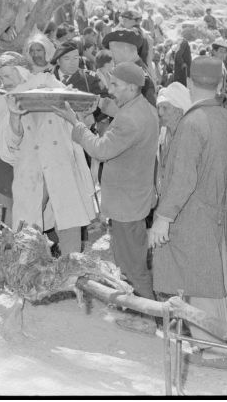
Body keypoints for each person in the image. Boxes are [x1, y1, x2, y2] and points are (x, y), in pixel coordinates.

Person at [53, 62, 159, 332]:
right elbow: (121, 110)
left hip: (127, 203)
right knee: (129, 260)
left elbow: (100, 150)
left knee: (132, 265)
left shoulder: (130, 118)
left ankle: (147, 318)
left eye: (115, 86)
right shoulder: (143, 108)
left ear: (132, 87)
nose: (110, 90)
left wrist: (76, 124)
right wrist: (99, 106)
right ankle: (139, 311)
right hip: (133, 198)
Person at [150, 57, 227, 368]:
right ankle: (216, 345)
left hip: (193, 213)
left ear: (189, 84)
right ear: (220, 85)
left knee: (201, 284)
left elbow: (182, 177)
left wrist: (163, 218)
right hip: (219, 210)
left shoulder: (191, 123)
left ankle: (215, 352)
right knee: (216, 282)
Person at [0, 52, 95, 255]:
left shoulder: (48, 84)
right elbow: (11, 143)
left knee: (69, 220)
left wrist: (80, 109)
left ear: (21, 71)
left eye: (8, 75)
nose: (4, 81)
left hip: (59, 162)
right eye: (2, 77)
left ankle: (71, 269)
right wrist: (14, 115)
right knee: (28, 226)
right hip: (30, 168)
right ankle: (29, 273)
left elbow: (77, 117)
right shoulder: (4, 101)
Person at [102, 28, 156, 108]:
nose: (111, 56)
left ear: (125, 49)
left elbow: (145, 114)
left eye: (112, 51)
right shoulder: (132, 70)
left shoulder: (138, 76)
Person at [155, 83, 192, 198]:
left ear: (179, 110)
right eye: (159, 107)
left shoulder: (189, 136)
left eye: (165, 108)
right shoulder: (163, 131)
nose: (160, 113)